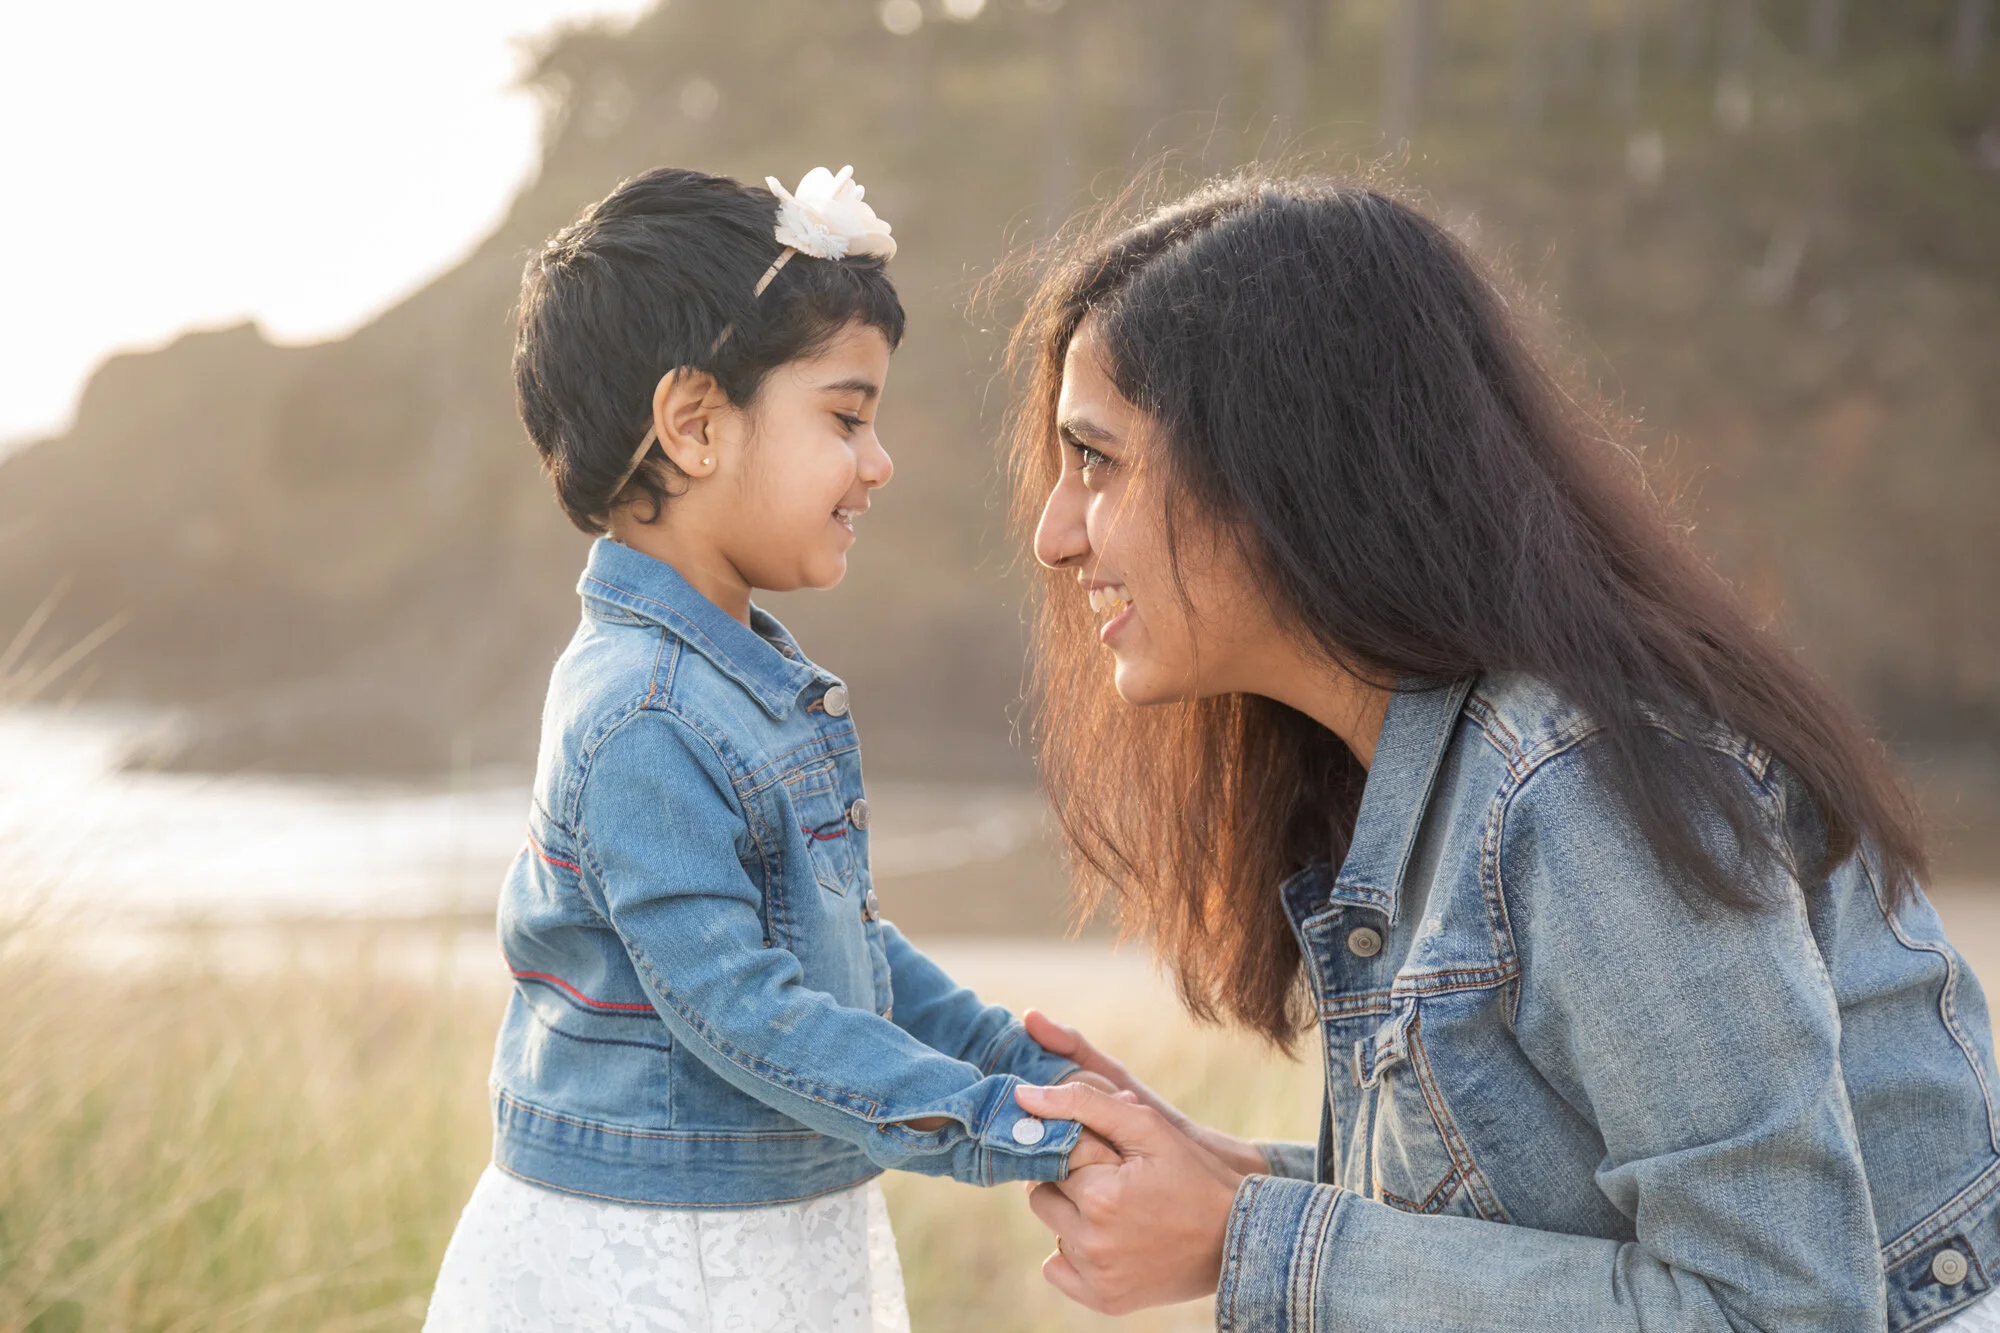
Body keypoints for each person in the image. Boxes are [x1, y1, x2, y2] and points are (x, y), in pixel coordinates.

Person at [1004, 173, 2000, 1332]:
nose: (1053, 532)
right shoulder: (1413, 771)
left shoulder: (1574, 791)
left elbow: (1776, 1308)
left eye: (1097, 459)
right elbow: (1562, 1223)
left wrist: (1246, 1240)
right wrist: (1231, 1184)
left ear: (1280, 466)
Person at [421, 165, 1109, 1333]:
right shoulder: (642, 711)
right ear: (693, 423)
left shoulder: (743, 682)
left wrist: (1014, 1060)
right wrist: (998, 1119)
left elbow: (834, 942)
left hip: (768, 1230)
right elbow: (743, 1006)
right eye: (845, 417)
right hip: (655, 1260)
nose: (876, 462)